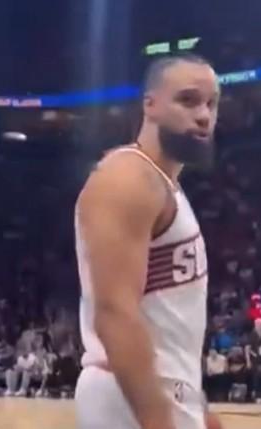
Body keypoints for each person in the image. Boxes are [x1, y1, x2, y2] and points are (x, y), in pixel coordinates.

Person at [75, 54, 222, 429]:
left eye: (211, 103)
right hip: (131, 398)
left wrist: (199, 406)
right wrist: (158, 420)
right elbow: (115, 314)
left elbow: (166, 321)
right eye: (188, 100)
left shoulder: (162, 184)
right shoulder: (128, 177)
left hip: (163, 392)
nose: (204, 115)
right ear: (150, 104)